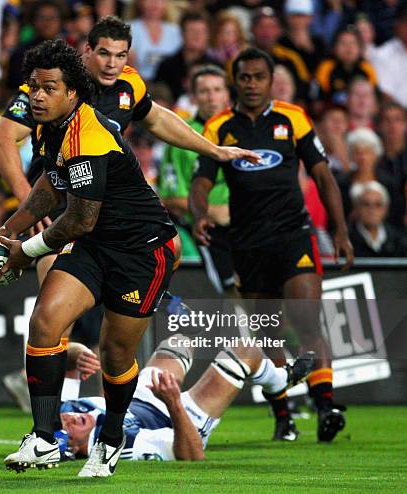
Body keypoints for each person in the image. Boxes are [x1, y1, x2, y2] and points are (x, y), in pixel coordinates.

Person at [0, 39, 256, 478]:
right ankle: (42, 438)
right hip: (95, 245)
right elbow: (48, 188)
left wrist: (25, 251)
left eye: (48, 88)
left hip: (142, 250)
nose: (37, 96)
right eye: (34, 87)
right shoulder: (48, 126)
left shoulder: (89, 136)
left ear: (72, 93)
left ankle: (110, 440)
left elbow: (78, 218)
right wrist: (9, 229)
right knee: (44, 323)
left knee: (115, 355)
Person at [190, 48, 354, 443]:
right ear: (236, 81)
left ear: (270, 80)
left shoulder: (292, 118)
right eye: (244, 77)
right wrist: (199, 214)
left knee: (306, 316)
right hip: (247, 242)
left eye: (258, 77)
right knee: (269, 333)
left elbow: (323, 176)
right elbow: (202, 181)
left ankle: (325, 404)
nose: (251, 84)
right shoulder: (218, 127)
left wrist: (341, 230)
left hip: (292, 233)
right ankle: (283, 416)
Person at [60, 336, 315, 461]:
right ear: (75, 449)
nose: (69, 418)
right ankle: (280, 381)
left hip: (141, 396)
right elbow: (193, 454)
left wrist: (79, 353)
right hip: (180, 419)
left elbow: (67, 360)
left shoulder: (62, 411)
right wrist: (174, 403)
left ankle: (277, 381)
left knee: (178, 343)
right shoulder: (123, 446)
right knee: (244, 351)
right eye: (69, 429)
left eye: (63, 421)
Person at [158, 65, 234, 293]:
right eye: (204, 91)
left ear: (227, 94)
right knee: (234, 294)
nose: (212, 97)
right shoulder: (182, 138)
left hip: (250, 226)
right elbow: (172, 199)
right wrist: (216, 211)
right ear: (193, 97)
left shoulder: (245, 130)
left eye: (217, 89)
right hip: (209, 231)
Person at [348, 181, 407, 257]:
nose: (372, 210)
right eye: (366, 204)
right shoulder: (346, 240)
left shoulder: (399, 241)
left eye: (378, 205)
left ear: (386, 209)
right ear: (357, 208)